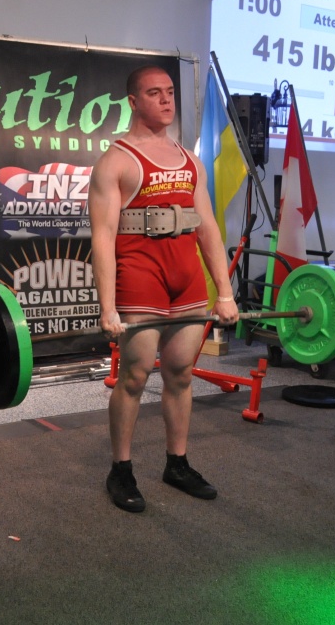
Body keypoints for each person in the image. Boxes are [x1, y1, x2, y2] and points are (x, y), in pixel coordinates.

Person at [88, 65, 239, 513]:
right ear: (134, 101)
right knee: (135, 376)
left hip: (185, 277)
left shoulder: (191, 161)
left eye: (170, 92)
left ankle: (177, 463)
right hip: (141, 275)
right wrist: (108, 307)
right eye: (155, 93)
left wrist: (225, 291)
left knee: (180, 373)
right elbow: (102, 238)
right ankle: (121, 470)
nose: (167, 100)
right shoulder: (116, 161)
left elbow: (207, 228)